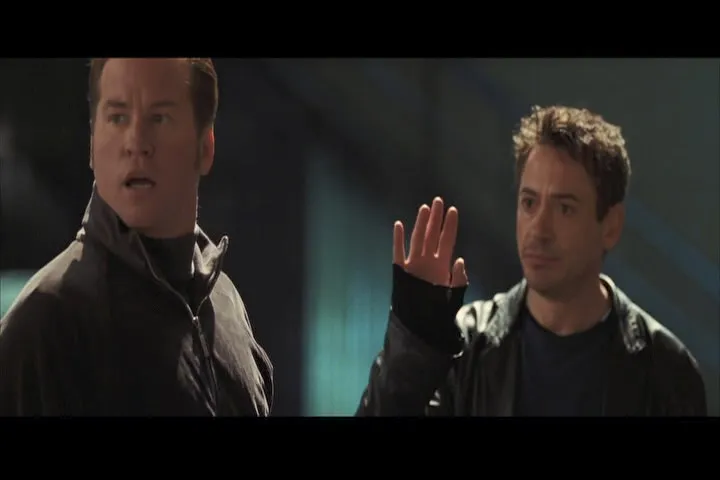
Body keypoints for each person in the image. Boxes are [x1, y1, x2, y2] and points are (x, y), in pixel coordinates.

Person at [357, 105, 707, 416]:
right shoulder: (463, 346)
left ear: (611, 226)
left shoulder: (664, 370)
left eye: (564, 208)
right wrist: (412, 349)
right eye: (529, 203)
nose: (538, 230)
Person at [0, 58, 273, 416]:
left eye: (159, 118)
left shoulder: (226, 306)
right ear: (93, 144)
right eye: (117, 117)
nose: (136, 142)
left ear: (205, 147)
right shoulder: (46, 324)